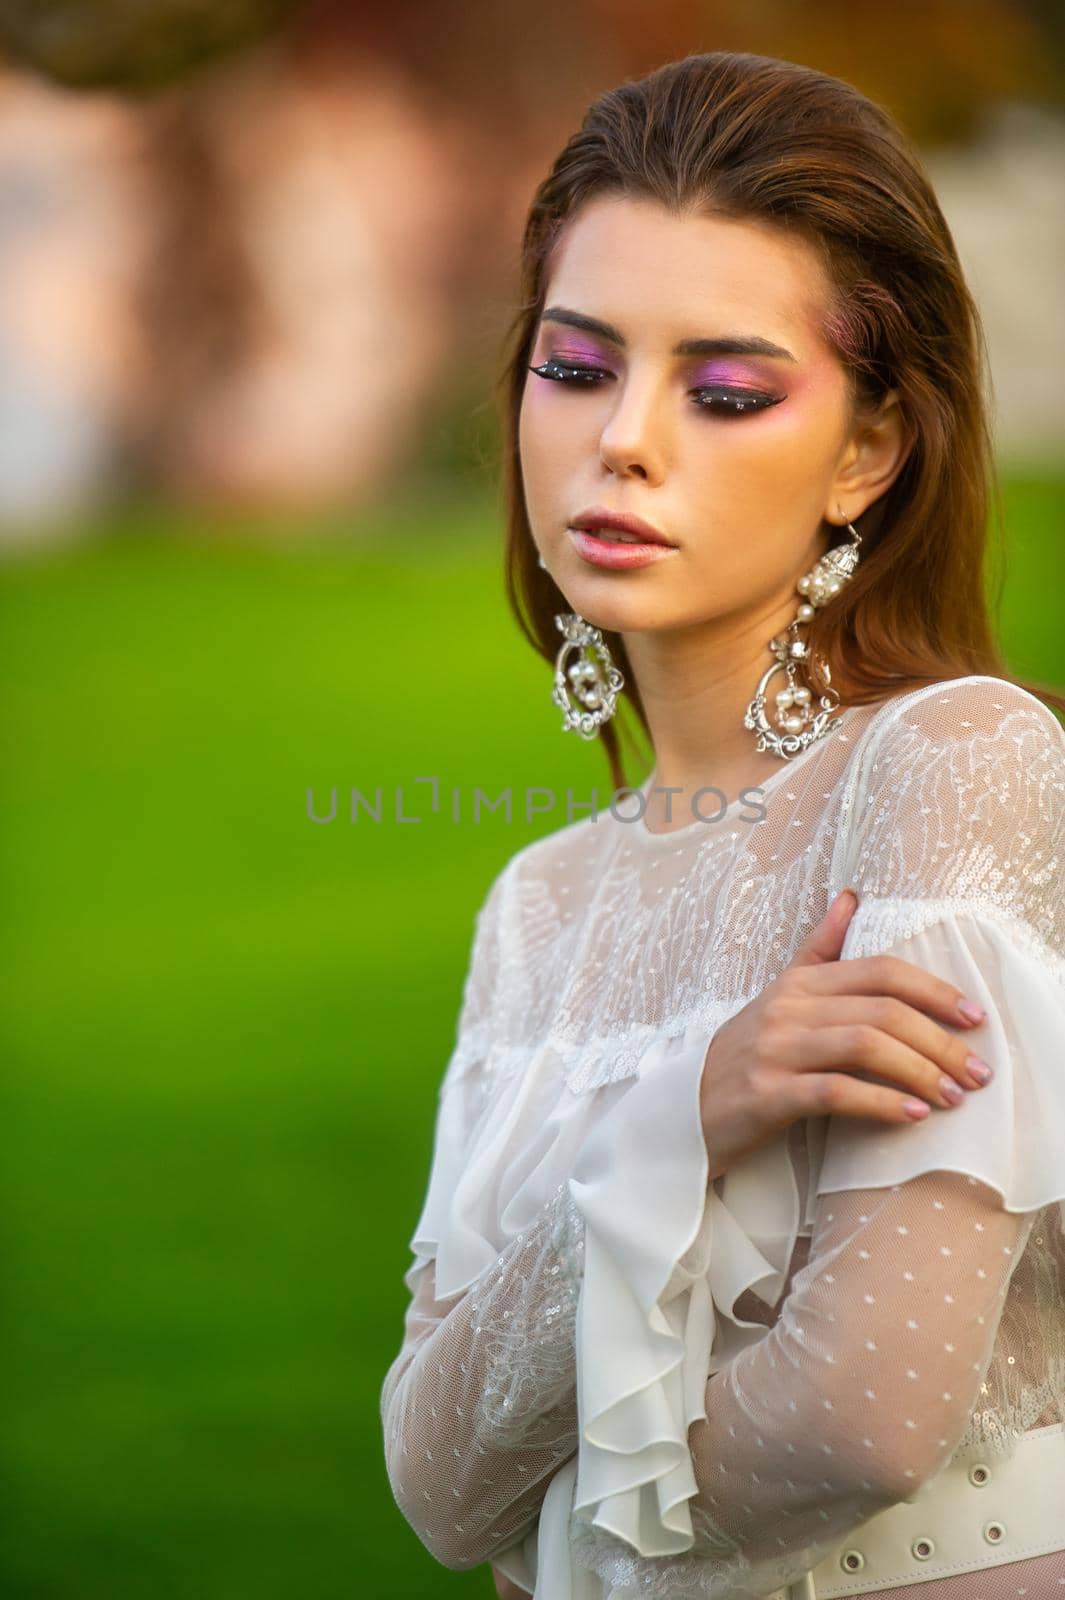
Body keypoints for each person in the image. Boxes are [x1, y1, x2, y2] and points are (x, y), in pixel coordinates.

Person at [379, 50, 1065, 1599]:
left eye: (726, 389)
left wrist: (550, 1526)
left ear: (868, 453)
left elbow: (861, 1418)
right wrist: (677, 1115)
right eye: (574, 366)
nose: (625, 438)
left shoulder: (951, 762)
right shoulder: (537, 902)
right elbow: (426, 1477)